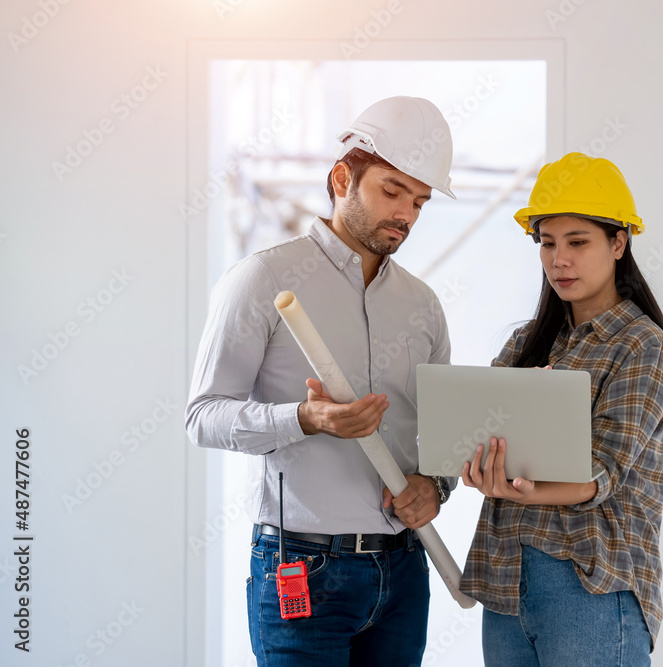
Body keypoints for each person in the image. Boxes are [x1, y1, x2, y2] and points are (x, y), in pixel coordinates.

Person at [185, 96, 458, 666]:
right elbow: (204, 416)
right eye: (391, 191)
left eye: (419, 201)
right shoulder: (263, 279)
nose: (406, 214)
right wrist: (304, 419)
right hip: (303, 571)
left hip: (404, 571)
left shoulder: (424, 305)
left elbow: (443, 438)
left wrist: (436, 485)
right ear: (342, 178)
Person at [459, 152, 663, 666]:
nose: (560, 260)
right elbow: (472, 433)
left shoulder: (640, 346)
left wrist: (524, 481)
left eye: (578, 242)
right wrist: (474, 464)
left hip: (591, 589)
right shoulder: (525, 344)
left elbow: (600, 474)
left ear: (619, 242)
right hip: (506, 584)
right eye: (548, 243)